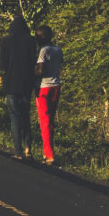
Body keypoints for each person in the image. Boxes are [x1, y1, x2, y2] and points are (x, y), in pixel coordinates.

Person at [0, 16, 36, 159]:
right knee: (25, 115)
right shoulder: (31, 40)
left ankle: (18, 151)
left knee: (15, 117)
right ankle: (28, 148)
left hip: (12, 83)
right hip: (27, 83)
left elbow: (3, 64)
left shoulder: (6, 41)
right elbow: (33, 60)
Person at [35, 25, 63, 165]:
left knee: (44, 122)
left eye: (38, 36)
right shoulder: (58, 50)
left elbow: (41, 71)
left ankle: (49, 155)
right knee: (50, 121)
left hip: (44, 88)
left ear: (43, 37)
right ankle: (47, 152)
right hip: (56, 86)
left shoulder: (43, 50)